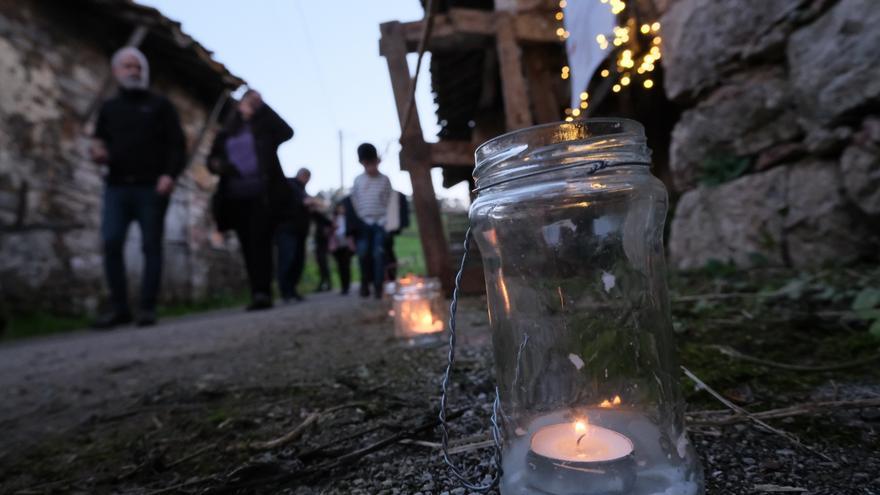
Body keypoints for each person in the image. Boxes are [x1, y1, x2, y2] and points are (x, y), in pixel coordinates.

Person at [90, 46, 186, 329]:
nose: (133, 71)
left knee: (151, 246)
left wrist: (169, 175)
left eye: (138, 67)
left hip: (151, 187)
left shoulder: (160, 105)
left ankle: (146, 307)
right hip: (117, 187)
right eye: (127, 66)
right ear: (116, 71)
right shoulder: (109, 108)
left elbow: (177, 146)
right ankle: (120, 308)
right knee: (111, 242)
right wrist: (98, 152)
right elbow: (99, 141)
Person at [208, 89, 293, 311]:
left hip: (262, 195)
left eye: (255, 105)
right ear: (238, 105)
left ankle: (264, 291)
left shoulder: (265, 129)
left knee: (261, 241)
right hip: (235, 197)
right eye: (248, 102)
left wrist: (264, 107)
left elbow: (288, 132)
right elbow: (211, 160)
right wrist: (219, 165)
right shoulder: (226, 134)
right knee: (247, 243)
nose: (250, 107)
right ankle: (256, 290)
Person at [350, 143, 392, 299]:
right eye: (367, 164)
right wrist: (361, 216)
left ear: (378, 161)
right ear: (362, 164)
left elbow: (388, 200)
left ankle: (378, 286)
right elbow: (354, 200)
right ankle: (364, 283)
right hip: (364, 223)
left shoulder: (385, 180)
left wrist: (385, 220)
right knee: (363, 253)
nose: (370, 167)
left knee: (378, 253)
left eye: (373, 163)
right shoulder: (358, 181)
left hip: (380, 223)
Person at [276, 168, 313, 303]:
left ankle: (292, 290)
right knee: (287, 260)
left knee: (297, 261)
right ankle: (285, 291)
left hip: (299, 231)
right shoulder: (290, 185)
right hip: (287, 230)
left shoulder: (302, 190)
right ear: (302, 175)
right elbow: (302, 201)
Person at [328, 202, 355, 295]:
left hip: (347, 246)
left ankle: (347, 286)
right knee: (340, 267)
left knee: (346, 266)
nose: (341, 210)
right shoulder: (333, 219)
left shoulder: (348, 218)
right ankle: (343, 286)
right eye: (339, 208)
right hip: (337, 246)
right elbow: (329, 232)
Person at [311, 206, 332, 292]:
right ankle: (324, 282)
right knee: (321, 263)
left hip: (322, 242)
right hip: (319, 242)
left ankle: (326, 282)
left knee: (323, 262)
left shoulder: (322, 216)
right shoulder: (319, 218)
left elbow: (330, 223)